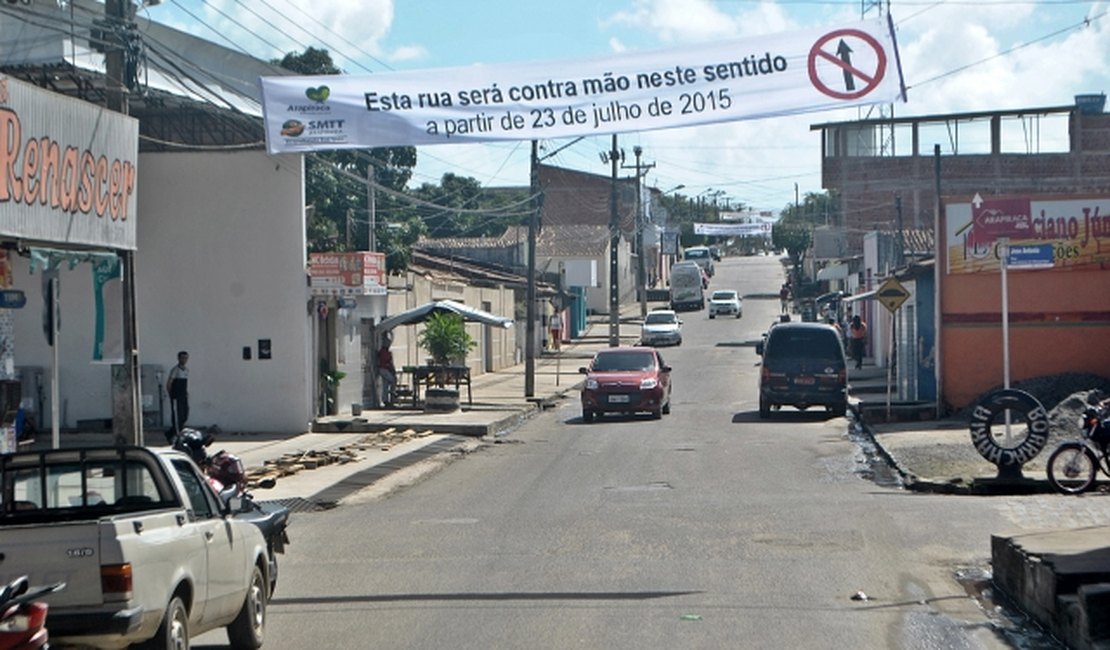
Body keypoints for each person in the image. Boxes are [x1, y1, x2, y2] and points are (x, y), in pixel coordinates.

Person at [165, 350, 189, 436]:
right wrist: (171, 394)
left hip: (183, 396)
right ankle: (176, 433)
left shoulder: (186, 370)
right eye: (182, 358)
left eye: (186, 358)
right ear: (178, 359)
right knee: (177, 415)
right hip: (176, 396)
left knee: (185, 414)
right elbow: (169, 383)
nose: (184, 360)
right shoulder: (175, 370)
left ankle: (171, 432)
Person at [377, 338, 396, 407]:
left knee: (385, 384)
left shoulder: (382, 352)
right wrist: (393, 370)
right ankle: (392, 397)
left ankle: (385, 400)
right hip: (384, 369)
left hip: (383, 369)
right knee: (393, 381)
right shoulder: (385, 352)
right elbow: (389, 362)